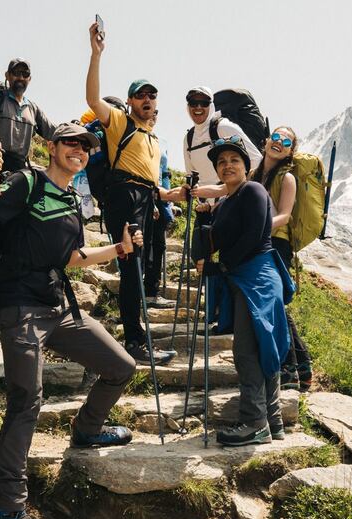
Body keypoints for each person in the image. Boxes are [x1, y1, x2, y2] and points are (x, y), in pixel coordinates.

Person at [0, 124, 140, 519]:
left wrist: (118, 249)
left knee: (121, 366)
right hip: (20, 306)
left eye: (86, 146)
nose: (79, 150)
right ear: (52, 147)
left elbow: (73, 257)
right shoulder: (26, 182)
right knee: (26, 400)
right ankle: (9, 511)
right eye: (71, 143)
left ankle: (87, 430)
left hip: (58, 306)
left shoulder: (71, 200)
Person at [85, 20, 184, 364]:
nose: (146, 99)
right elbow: (93, 98)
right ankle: (135, 342)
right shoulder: (120, 123)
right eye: (140, 94)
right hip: (123, 198)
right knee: (130, 267)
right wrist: (96, 55)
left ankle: (137, 338)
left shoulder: (153, 139)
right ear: (129, 101)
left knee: (138, 267)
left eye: (151, 95)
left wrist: (168, 199)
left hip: (144, 200)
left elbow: (152, 183)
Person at [191, 136, 294, 446]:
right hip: (248, 279)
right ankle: (272, 420)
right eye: (221, 162)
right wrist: (203, 218)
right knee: (261, 346)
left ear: (246, 166)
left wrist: (220, 267)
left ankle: (254, 422)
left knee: (247, 351)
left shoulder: (252, 190)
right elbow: (209, 243)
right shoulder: (226, 203)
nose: (227, 165)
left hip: (257, 278)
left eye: (234, 160)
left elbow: (254, 236)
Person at [249, 126, 313, 392]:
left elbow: (285, 215)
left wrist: (258, 228)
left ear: (290, 151)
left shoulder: (287, 178)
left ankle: (288, 369)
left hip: (277, 243)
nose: (278, 142)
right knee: (273, 304)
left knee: (273, 303)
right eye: (275, 137)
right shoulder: (255, 173)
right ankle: (302, 365)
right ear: (266, 141)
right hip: (258, 241)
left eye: (285, 141)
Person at [182, 86, 262, 198]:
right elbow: (191, 177)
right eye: (193, 103)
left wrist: (227, 190)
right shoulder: (188, 138)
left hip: (232, 203)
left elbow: (258, 162)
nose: (198, 107)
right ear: (188, 106)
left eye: (204, 103)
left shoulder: (224, 127)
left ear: (211, 106)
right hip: (207, 209)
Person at [144, 110, 176, 308]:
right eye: (149, 112)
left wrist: (170, 201)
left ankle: (152, 292)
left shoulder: (162, 141)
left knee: (159, 246)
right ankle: (142, 291)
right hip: (146, 198)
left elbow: (164, 174)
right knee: (146, 246)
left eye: (156, 112)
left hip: (163, 200)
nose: (153, 115)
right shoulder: (137, 137)